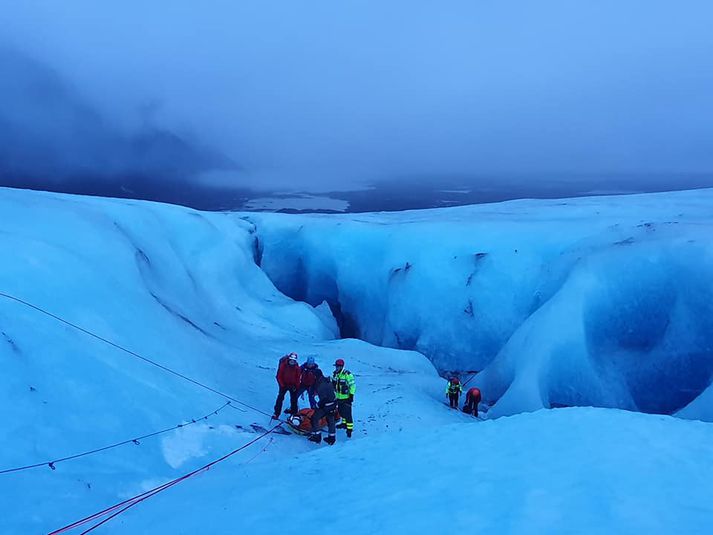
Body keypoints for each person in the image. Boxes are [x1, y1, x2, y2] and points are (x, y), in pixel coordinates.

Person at [308, 370, 338, 445]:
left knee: (315, 417)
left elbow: (324, 400)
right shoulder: (327, 381)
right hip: (333, 403)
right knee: (331, 420)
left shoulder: (321, 386)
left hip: (327, 405)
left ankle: (317, 437)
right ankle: (332, 438)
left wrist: (317, 406)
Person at [332, 358, 356, 438]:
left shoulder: (347, 374)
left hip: (346, 398)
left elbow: (352, 385)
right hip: (338, 397)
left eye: (338, 366)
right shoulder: (335, 374)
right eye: (336, 366)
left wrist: (351, 395)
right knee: (341, 411)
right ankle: (344, 423)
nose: (337, 368)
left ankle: (349, 429)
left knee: (348, 414)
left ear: (342, 367)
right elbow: (334, 383)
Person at [273, 352, 301, 419]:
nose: (292, 362)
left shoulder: (297, 368)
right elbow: (278, 376)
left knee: (294, 400)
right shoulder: (283, 365)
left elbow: (298, 378)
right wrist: (282, 385)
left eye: (293, 361)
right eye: (291, 360)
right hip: (284, 385)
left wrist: (296, 387)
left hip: (292, 386)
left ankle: (294, 414)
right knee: (280, 398)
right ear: (289, 359)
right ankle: (276, 413)